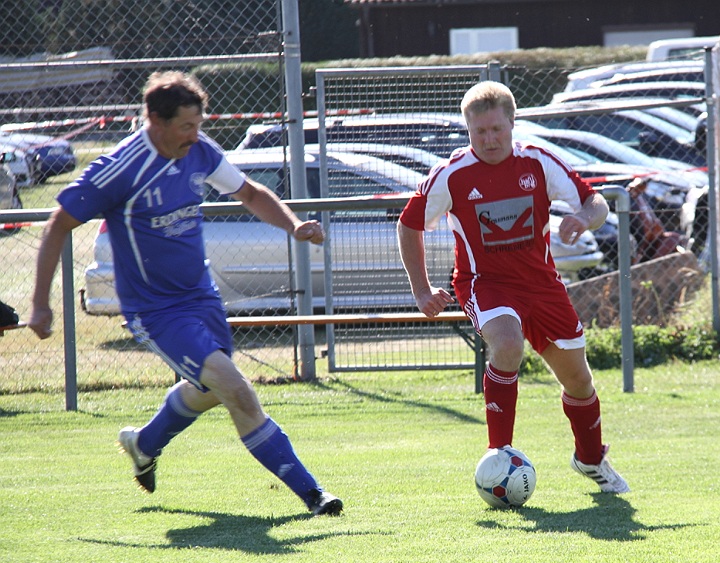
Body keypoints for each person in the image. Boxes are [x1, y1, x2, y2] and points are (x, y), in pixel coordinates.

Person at [27, 71, 342, 516]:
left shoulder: (199, 150)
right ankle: (313, 494)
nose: (195, 135)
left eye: (198, 125)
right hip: (156, 309)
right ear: (155, 120)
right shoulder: (121, 168)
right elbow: (58, 223)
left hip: (201, 296)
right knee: (235, 388)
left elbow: (250, 193)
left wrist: (294, 225)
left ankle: (144, 443)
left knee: (211, 389)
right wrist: (40, 303)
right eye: (186, 126)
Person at [397, 81, 629, 493]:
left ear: (512, 124)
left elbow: (595, 202)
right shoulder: (451, 174)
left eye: (496, 130)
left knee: (579, 382)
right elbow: (408, 224)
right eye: (479, 132)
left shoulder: (538, 162)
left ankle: (591, 459)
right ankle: (498, 455)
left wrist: (582, 218)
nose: (489, 139)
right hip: (484, 284)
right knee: (506, 344)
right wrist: (421, 290)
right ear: (468, 130)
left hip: (542, 285)